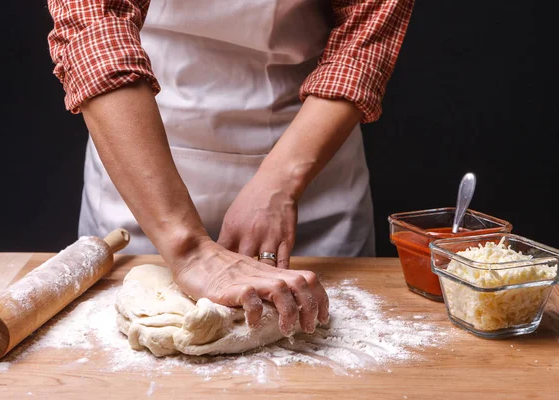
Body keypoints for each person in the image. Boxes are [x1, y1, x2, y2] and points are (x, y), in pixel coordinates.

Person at [46, 0, 414, 336]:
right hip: (143, 159)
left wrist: (281, 181)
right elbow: (94, 30)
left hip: (309, 162)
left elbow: (364, 39)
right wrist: (187, 248)